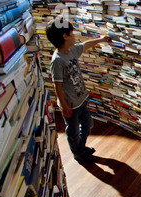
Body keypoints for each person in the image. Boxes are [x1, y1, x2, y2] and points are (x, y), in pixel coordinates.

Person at [46, 17, 109, 163]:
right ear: (65, 36)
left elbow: (85, 45)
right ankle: (79, 153)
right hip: (70, 105)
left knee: (87, 124)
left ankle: (81, 148)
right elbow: (57, 85)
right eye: (72, 33)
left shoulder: (72, 50)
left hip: (81, 100)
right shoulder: (57, 60)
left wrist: (101, 40)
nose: (75, 36)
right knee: (73, 132)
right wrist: (64, 105)